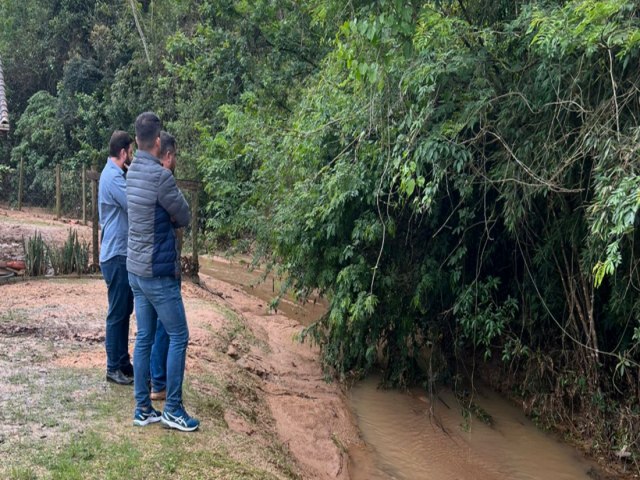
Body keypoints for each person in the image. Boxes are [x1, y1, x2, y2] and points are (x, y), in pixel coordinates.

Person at [126, 112, 199, 431]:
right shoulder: (161, 176)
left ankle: (143, 408)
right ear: (158, 142)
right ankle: (172, 409)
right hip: (158, 272)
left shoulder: (131, 172)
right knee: (179, 334)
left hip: (136, 271)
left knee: (144, 337)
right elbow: (183, 215)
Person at [98, 130, 134, 386]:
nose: (131, 157)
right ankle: (113, 366)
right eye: (130, 153)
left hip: (122, 252)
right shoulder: (113, 177)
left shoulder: (116, 174)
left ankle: (122, 361)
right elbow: (132, 203)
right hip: (116, 253)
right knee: (117, 312)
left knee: (125, 310)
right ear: (123, 153)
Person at [149, 131, 179, 401]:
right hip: (162, 265)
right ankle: (162, 387)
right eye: (175, 155)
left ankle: (154, 381)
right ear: (168, 155)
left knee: (151, 328)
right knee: (173, 331)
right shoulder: (164, 179)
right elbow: (182, 214)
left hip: (144, 265)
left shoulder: (140, 176)